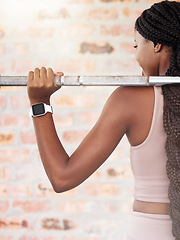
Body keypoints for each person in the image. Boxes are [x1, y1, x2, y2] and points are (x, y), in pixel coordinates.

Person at [27, 1, 180, 239]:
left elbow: (62, 177)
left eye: (136, 45)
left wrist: (40, 102)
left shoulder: (130, 99)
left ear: (156, 44)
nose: (136, 57)